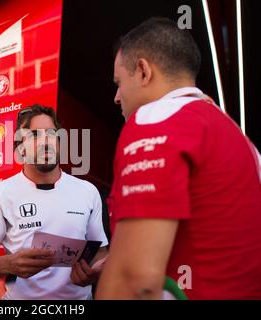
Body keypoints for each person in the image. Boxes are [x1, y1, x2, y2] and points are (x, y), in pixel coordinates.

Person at [96, 17, 261, 300]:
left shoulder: (155, 118)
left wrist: (120, 274)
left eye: (119, 82)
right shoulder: (243, 141)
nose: (116, 96)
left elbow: (134, 282)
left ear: (143, 71)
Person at [0, 105, 108, 299]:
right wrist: (9, 264)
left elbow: (101, 252)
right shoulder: (0, 193)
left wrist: (94, 273)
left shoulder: (87, 191)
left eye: (51, 134)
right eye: (34, 135)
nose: (45, 142)